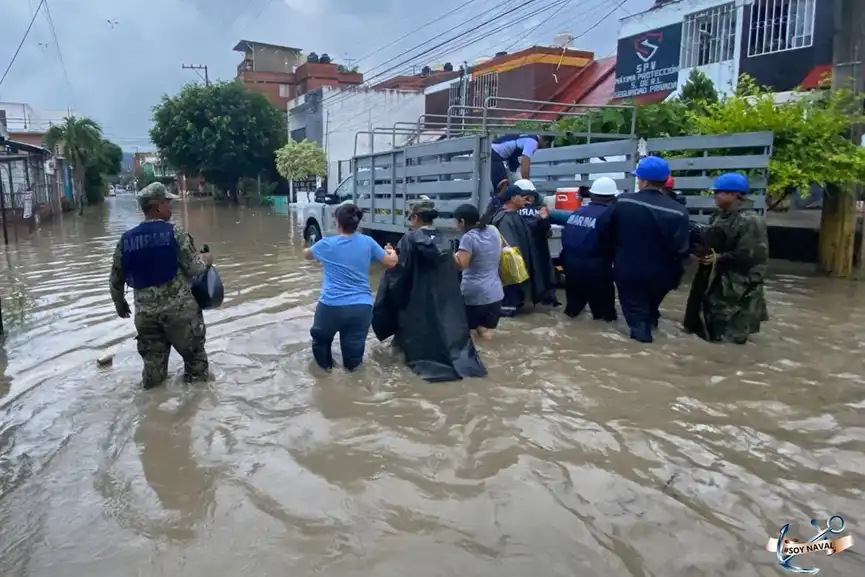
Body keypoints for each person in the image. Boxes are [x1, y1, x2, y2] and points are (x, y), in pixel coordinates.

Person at [108, 182, 214, 389]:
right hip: (180, 314)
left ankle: (153, 415)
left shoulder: (126, 240)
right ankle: (196, 409)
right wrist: (207, 259)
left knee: (153, 373)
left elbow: (115, 279)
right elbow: (194, 269)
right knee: (196, 366)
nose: (171, 206)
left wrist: (120, 305)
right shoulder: (175, 232)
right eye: (167, 202)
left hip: (145, 317)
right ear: (157, 206)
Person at [372, 199, 487, 382]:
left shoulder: (409, 239)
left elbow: (399, 274)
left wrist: (390, 255)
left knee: (406, 342)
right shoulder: (444, 240)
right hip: (441, 302)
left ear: (416, 217)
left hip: (416, 302)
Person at [303, 203, 398, 371]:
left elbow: (307, 255)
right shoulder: (368, 242)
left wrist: (315, 252)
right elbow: (390, 263)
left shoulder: (326, 244)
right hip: (361, 307)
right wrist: (392, 252)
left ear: (337, 222)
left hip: (330, 306)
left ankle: (325, 378)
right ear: (357, 223)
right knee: (354, 357)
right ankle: (355, 388)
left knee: (321, 340)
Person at [609, 156, 690, 343]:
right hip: (663, 276)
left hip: (630, 272)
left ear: (643, 181)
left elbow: (606, 233)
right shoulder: (679, 211)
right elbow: (681, 249)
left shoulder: (623, 202)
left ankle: (642, 355)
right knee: (651, 310)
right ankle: (652, 328)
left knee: (637, 320)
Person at [683, 173, 769, 344]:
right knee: (709, 324)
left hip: (740, 286)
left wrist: (719, 258)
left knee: (732, 334)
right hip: (717, 281)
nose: (715, 196)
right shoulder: (719, 216)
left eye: (719, 192)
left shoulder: (750, 220)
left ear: (734, 194)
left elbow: (751, 254)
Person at [556, 176, 618, 321]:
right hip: (597, 268)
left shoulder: (578, 212)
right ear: (613, 196)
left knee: (572, 312)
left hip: (571, 267)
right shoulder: (610, 214)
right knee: (604, 317)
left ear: (592, 195)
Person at [490, 182, 557, 316]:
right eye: (521, 196)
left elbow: (529, 231)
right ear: (512, 198)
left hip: (517, 274)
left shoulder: (514, 215)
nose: (524, 199)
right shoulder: (505, 219)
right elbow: (508, 252)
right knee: (510, 306)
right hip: (511, 277)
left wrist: (541, 220)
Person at [453, 203, 503, 339]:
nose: (455, 226)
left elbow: (461, 264)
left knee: (470, 335)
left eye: (456, 222)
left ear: (462, 221)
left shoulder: (468, 238)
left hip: (475, 296)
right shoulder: (493, 230)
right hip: (495, 293)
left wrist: (446, 253)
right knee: (486, 332)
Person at [487, 134, 552, 214]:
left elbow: (513, 154)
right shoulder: (533, 142)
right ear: (546, 142)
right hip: (493, 153)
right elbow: (525, 163)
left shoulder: (528, 136)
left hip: (498, 153)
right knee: (502, 186)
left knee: (510, 183)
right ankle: (495, 210)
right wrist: (527, 185)